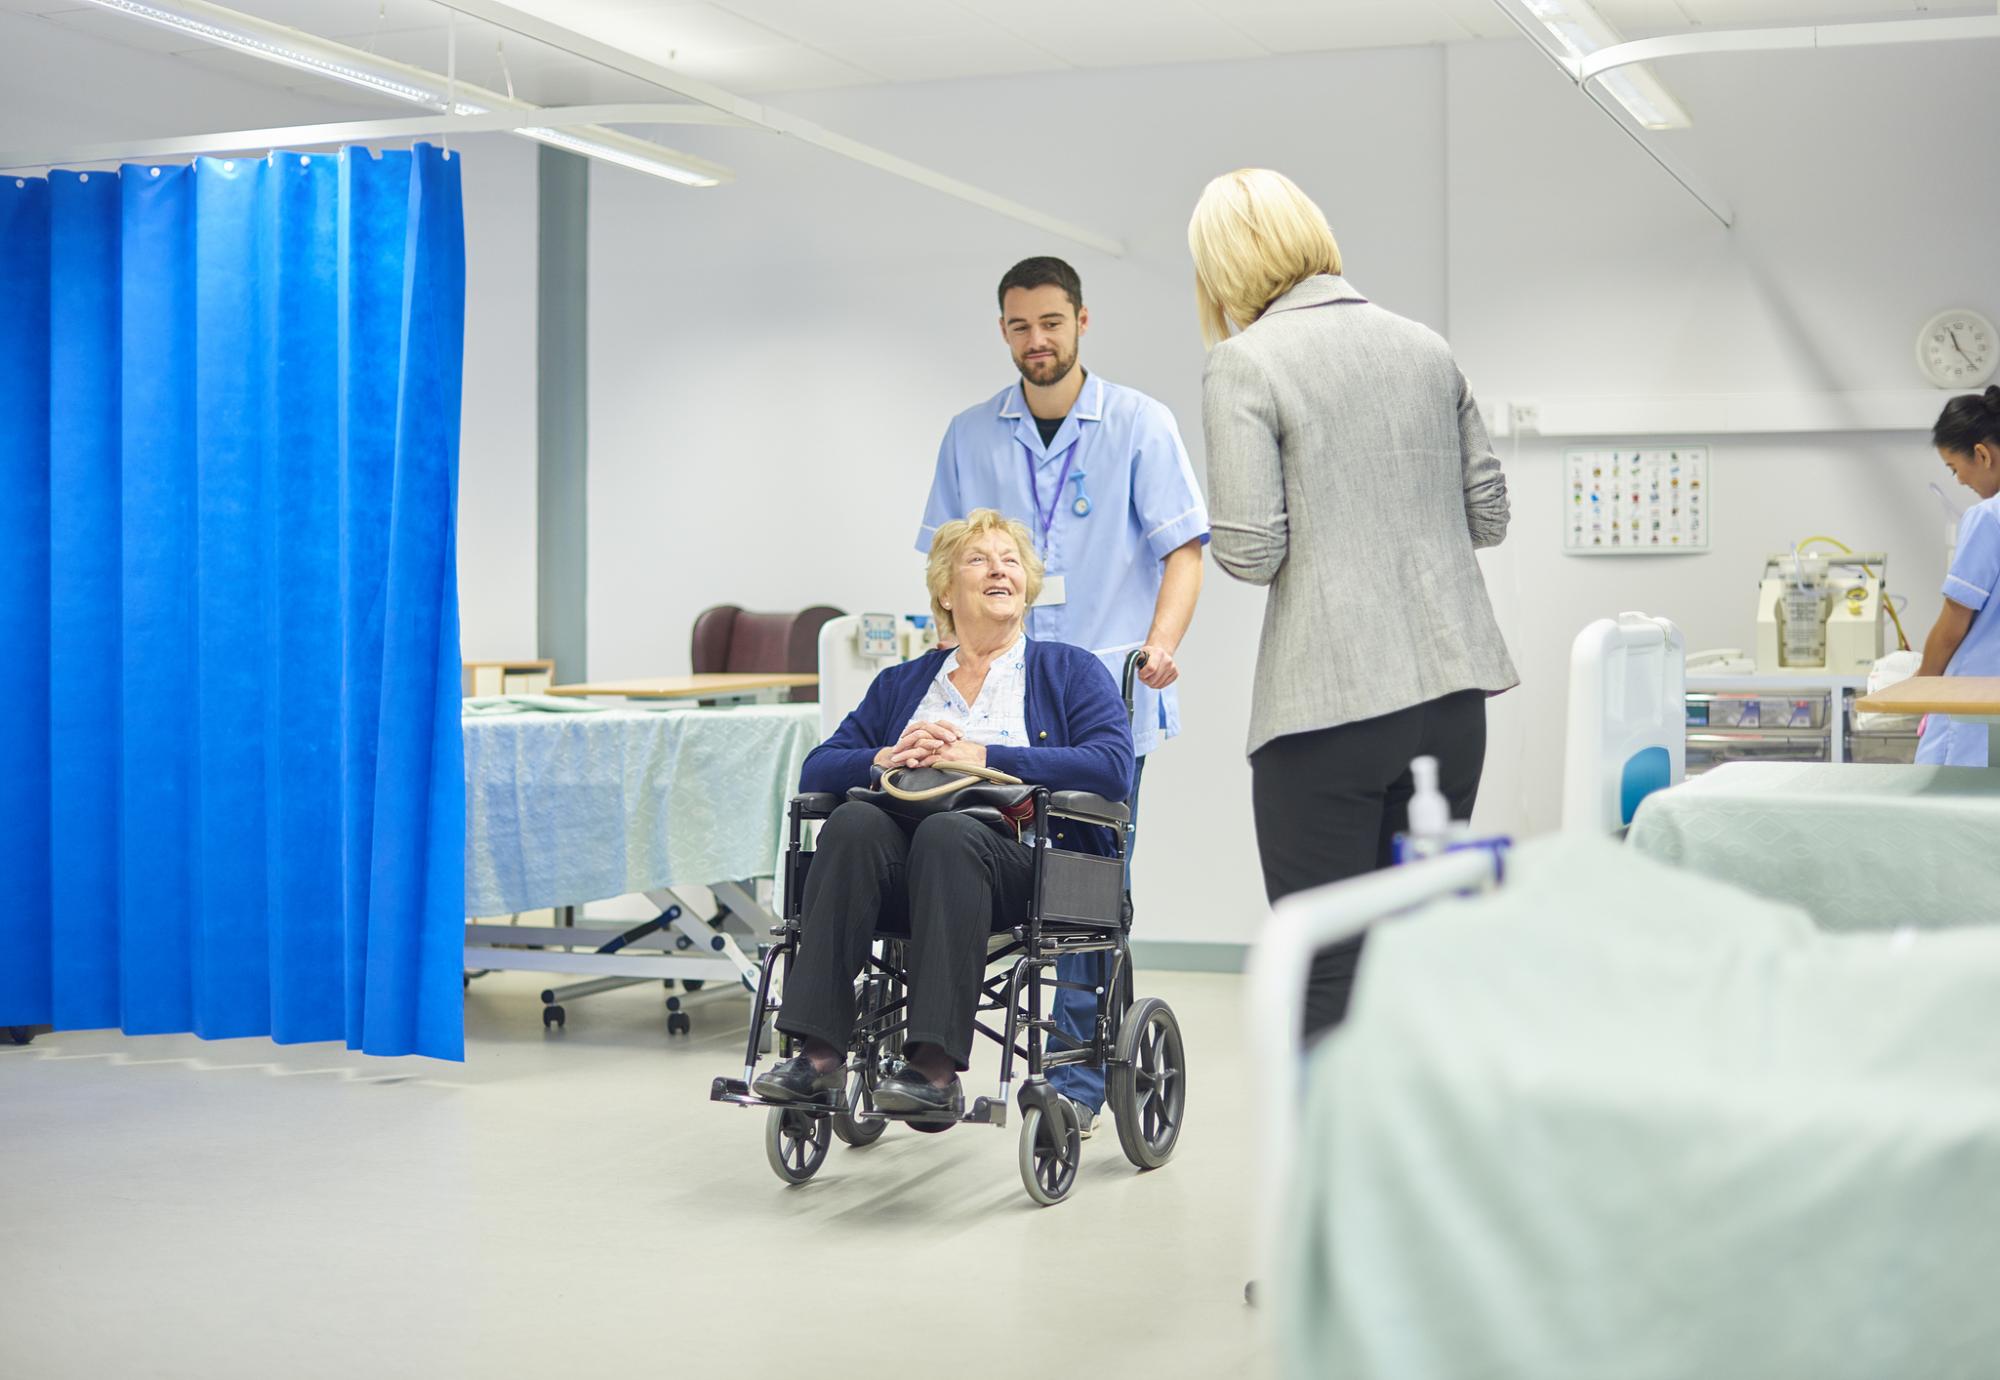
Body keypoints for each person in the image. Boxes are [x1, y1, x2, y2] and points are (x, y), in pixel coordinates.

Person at [1189, 168, 1518, 1041]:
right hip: (1452, 703)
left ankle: (1331, 1173)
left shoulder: (1244, 363)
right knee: (1415, 947)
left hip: (1327, 708)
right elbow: (1490, 515)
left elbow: (1251, 551)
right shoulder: (1425, 345)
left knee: (1324, 962)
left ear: (1223, 266)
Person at [915, 256, 1207, 1128]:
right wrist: (940, 652)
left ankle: (1076, 1078)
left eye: (1051, 322)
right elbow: (940, 568)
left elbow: (1183, 551)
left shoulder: (1139, 425)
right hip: (994, 704)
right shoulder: (970, 434)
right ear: (1003, 331)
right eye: (1018, 326)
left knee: (1082, 891)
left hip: (1097, 702)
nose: (1035, 341)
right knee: (974, 866)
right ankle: (932, 1044)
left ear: (1083, 322)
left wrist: (1161, 645)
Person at [755, 509, 1134, 1121]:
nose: (999, 570)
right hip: (905, 874)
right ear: (945, 590)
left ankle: (934, 1069)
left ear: (1028, 585)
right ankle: (819, 1057)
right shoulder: (904, 684)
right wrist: (887, 756)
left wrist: (983, 755)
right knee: (853, 824)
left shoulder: (1067, 670)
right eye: (979, 560)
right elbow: (818, 768)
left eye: (1010, 560)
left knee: (949, 832)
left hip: (1018, 867)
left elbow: (1111, 765)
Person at [1915, 387, 2000, 766]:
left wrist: (1921, 687)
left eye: (1954, 468)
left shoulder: (1988, 518)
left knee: (1948, 817)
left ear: (1981, 454)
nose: (1960, 481)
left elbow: (1954, 623)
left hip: (1973, 704)